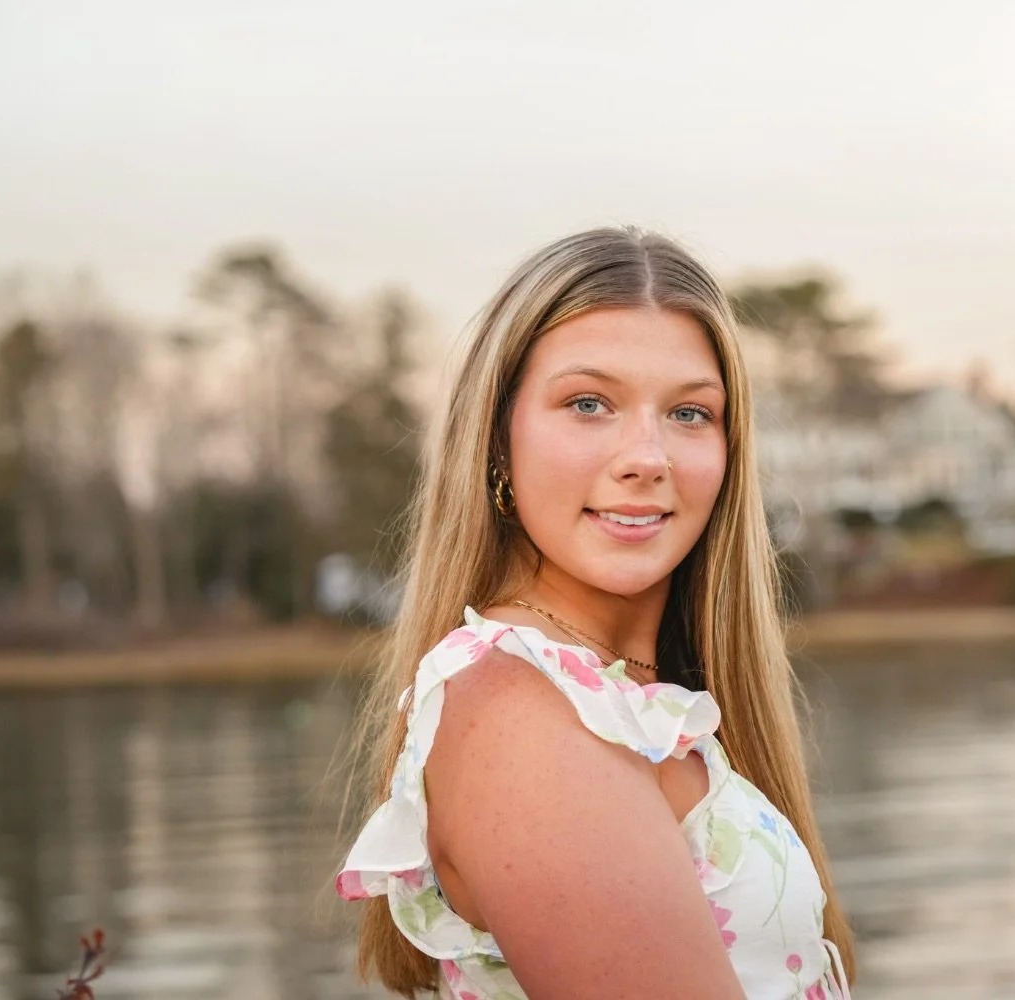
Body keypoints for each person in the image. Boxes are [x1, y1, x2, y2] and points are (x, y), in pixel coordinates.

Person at [336, 227, 855, 998]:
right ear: (498, 444)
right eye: (589, 403)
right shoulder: (519, 714)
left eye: (690, 414)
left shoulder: (642, 697)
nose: (648, 456)